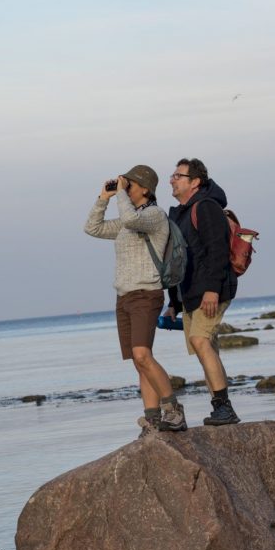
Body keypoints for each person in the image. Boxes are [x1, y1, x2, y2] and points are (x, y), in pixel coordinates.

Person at [84, 165, 186, 434]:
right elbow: (92, 228)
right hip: (124, 297)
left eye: (130, 184)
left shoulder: (154, 215)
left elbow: (130, 219)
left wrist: (120, 193)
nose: (126, 188)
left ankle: (174, 410)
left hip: (145, 294)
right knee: (139, 362)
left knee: (142, 355)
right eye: (125, 183)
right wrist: (103, 198)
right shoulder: (127, 220)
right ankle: (152, 419)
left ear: (145, 189)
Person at [164, 158, 240, 425]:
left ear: (195, 182)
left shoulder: (206, 207)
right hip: (190, 293)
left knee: (199, 340)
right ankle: (221, 409)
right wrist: (174, 302)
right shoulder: (180, 214)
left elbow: (217, 250)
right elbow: (176, 260)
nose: (172, 180)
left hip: (211, 289)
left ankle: (224, 408)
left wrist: (212, 290)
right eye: (173, 175)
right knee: (206, 349)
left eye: (178, 176)